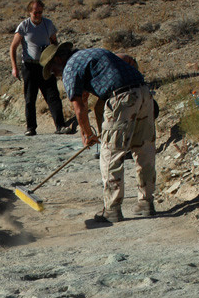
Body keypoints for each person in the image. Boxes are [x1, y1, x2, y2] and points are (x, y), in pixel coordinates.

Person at [40, 42, 156, 223]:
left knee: (110, 155)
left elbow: (79, 109)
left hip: (121, 97)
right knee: (143, 150)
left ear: (58, 59)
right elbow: (93, 101)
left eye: (52, 69)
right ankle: (146, 203)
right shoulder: (90, 55)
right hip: (144, 93)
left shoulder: (70, 67)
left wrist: (87, 135)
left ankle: (112, 209)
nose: (55, 74)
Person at [9, 0, 72, 136]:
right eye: (35, 12)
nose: (38, 15)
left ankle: (60, 125)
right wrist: (15, 67)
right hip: (29, 66)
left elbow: (54, 42)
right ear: (29, 12)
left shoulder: (48, 24)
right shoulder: (24, 26)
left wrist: (57, 61)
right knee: (30, 98)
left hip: (46, 65)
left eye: (40, 12)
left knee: (53, 95)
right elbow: (13, 47)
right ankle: (31, 127)